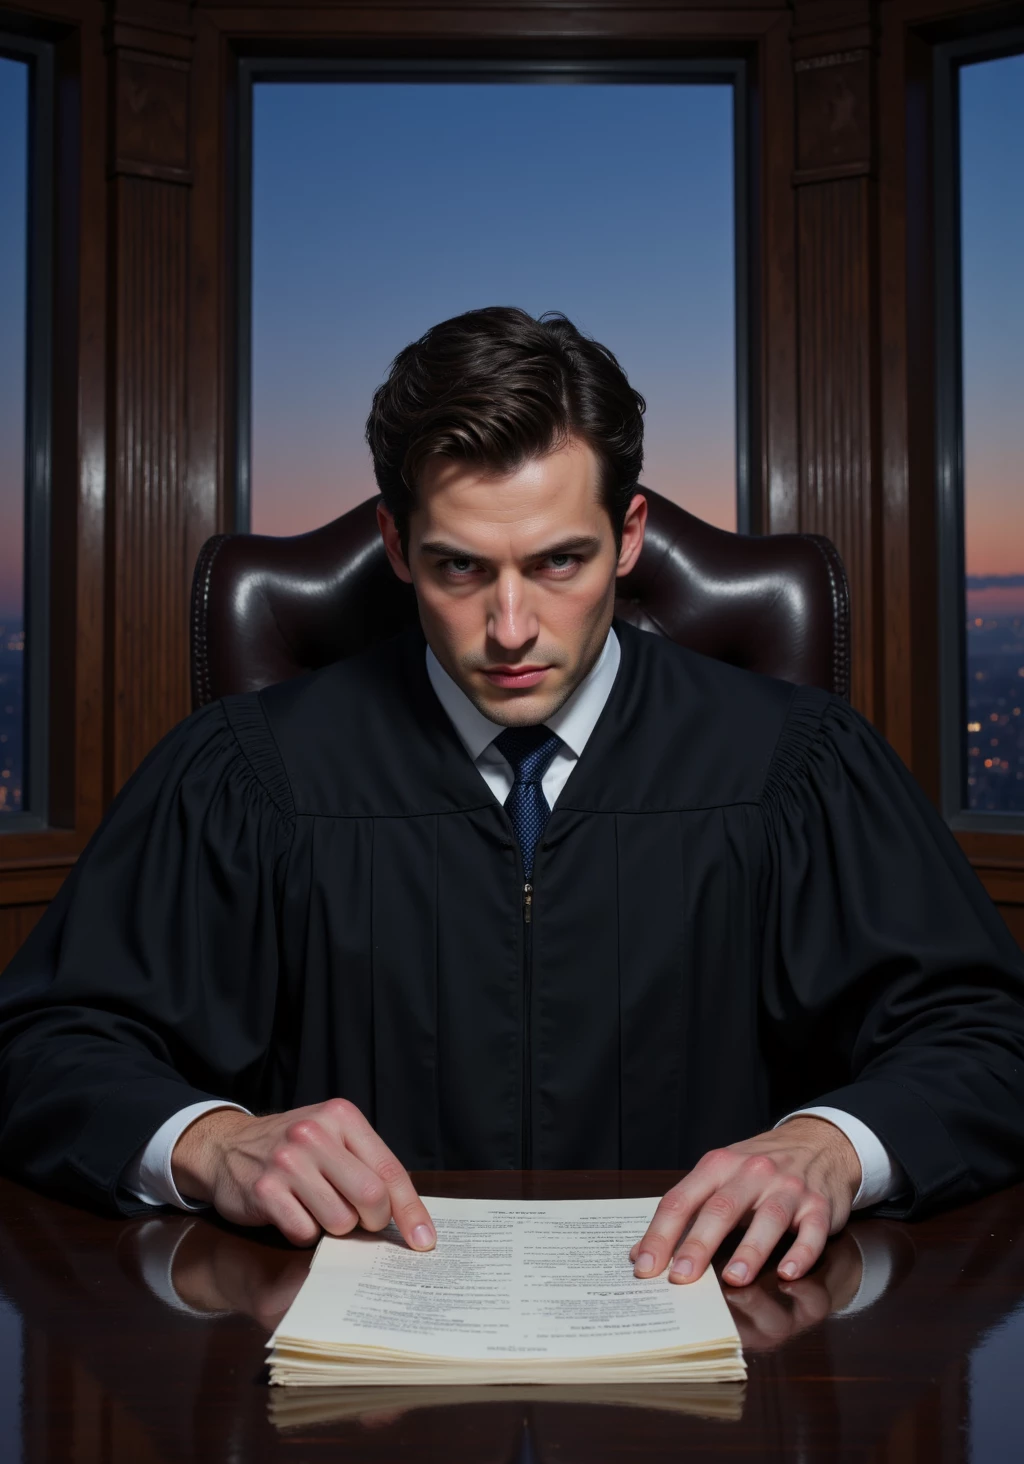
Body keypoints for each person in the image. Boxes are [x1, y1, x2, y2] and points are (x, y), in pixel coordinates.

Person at [1, 307, 1022, 1295]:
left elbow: (983, 1037)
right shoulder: (245, 774)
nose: (510, 627)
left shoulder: (796, 765)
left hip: (719, 1363)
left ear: (627, 537)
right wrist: (210, 1142)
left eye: (558, 562)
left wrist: (832, 1146)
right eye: (458, 568)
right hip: (340, 1384)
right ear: (396, 548)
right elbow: (44, 1048)